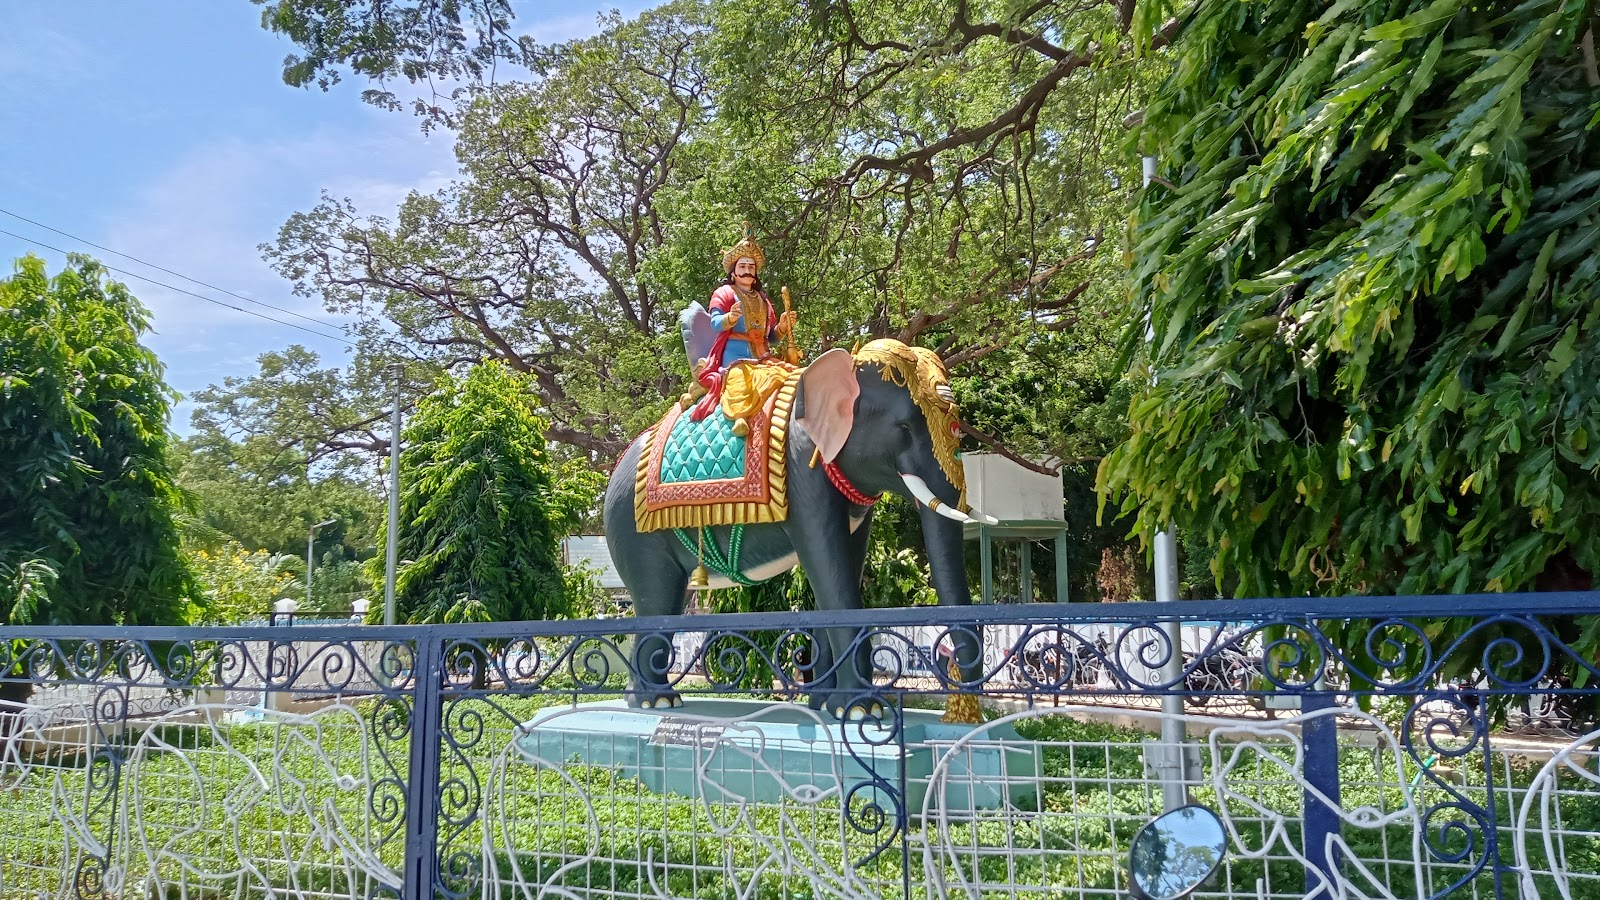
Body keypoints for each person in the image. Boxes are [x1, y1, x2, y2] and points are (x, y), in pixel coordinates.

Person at [689, 225, 801, 430]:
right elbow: (715, 324)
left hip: (763, 357)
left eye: (751, 267)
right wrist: (730, 318)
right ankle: (739, 416)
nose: (748, 271)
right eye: (743, 267)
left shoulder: (763, 301)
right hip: (735, 359)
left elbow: (772, 337)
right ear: (733, 272)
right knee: (739, 381)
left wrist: (783, 328)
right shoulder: (724, 293)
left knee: (791, 374)